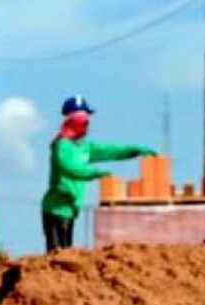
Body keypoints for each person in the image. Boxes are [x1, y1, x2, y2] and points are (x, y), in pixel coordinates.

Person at [41, 96, 156, 252]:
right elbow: (70, 168)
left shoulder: (85, 147)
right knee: (57, 253)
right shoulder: (62, 146)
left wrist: (133, 150)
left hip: (70, 209)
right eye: (85, 121)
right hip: (55, 209)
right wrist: (95, 173)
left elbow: (110, 151)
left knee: (66, 250)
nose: (88, 125)